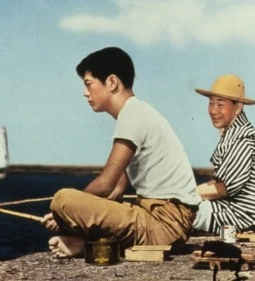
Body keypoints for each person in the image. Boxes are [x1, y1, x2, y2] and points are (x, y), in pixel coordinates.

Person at [41, 47, 201, 258]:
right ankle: (81, 243)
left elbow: (106, 183)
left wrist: (62, 213)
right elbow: (116, 191)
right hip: (165, 225)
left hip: (163, 227)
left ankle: (80, 239)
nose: (85, 92)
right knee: (69, 204)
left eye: (88, 84)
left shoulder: (132, 115)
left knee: (62, 199)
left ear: (112, 82)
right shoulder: (136, 112)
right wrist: (74, 215)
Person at [192, 74, 255, 235]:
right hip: (244, 208)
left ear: (238, 107)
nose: (213, 110)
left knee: (177, 214)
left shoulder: (243, 139)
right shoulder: (237, 134)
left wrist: (182, 194)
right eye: (211, 103)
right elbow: (222, 182)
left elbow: (223, 188)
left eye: (220, 104)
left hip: (245, 213)